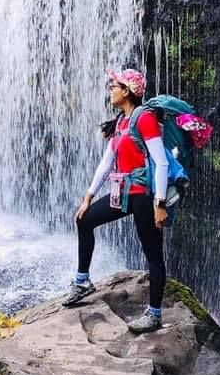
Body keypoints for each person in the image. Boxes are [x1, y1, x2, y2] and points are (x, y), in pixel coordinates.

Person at [64, 68, 170, 333]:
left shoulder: (144, 119)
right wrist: (88, 197)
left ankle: (154, 314)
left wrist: (160, 203)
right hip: (121, 192)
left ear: (127, 91)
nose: (110, 89)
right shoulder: (121, 122)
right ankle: (82, 282)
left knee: (153, 254)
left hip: (144, 196)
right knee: (85, 220)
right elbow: (106, 163)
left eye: (115, 85)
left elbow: (161, 162)